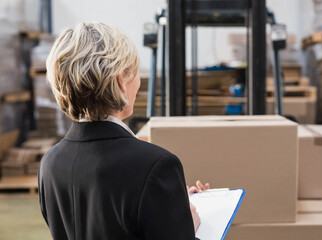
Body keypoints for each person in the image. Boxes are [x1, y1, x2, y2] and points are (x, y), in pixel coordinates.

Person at [38, 22, 210, 240]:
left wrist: (170, 203)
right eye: (135, 73)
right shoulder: (155, 166)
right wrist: (188, 225)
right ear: (121, 80)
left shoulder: (50, 163)